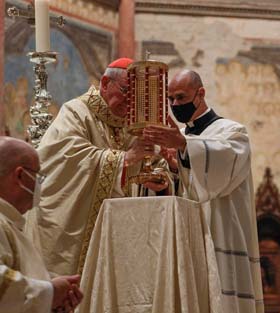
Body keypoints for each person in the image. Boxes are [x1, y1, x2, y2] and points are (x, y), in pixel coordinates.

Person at [26, 58, 161, 276]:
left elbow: (143, 164)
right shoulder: (76, 112)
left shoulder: (128, 123)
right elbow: (66, 161)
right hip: (71, 230)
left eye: (138, 97)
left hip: (117, 229)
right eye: (127, 92)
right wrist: (124, 160)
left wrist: (153, 174)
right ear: (106, 83)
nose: (132, 103)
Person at [143, 69, 264, 312]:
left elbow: (217, 177)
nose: (175, 105)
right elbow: (188, 192)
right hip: (187, 239)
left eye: (181, 97)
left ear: (201, 94)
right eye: (171, 100)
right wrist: (169, 179)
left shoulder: (232, 132)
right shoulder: (183, 138)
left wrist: (182, 146)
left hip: (221, 236)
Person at [0, 136, 84, 312]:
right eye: (38, 175)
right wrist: (50, 292)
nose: (40, 183)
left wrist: (49, 304)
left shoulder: (9, 222)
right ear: (20, 175)